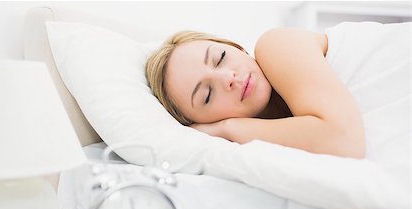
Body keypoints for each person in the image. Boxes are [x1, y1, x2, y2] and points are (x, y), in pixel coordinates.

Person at [145, 28, 366, 159]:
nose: (228, 78)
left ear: (237, 47)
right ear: (200, 124)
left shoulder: (276, 45)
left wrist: (227, 128)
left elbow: (344, 141)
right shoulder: (264, 144)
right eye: (207, 95)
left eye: (220, 57)